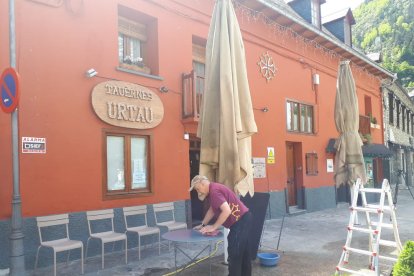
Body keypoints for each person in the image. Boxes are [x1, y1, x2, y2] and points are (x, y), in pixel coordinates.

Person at [189, 175, 252, 276]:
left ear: (203, 183)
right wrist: (203, 224)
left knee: (234, 254)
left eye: (197, 188)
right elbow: (212, 209)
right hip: (244, 218)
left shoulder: (214, 191)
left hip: (240, 221)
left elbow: (226, 211)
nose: (198, 192)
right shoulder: (213, 190)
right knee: (243, 253)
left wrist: (214, 226)